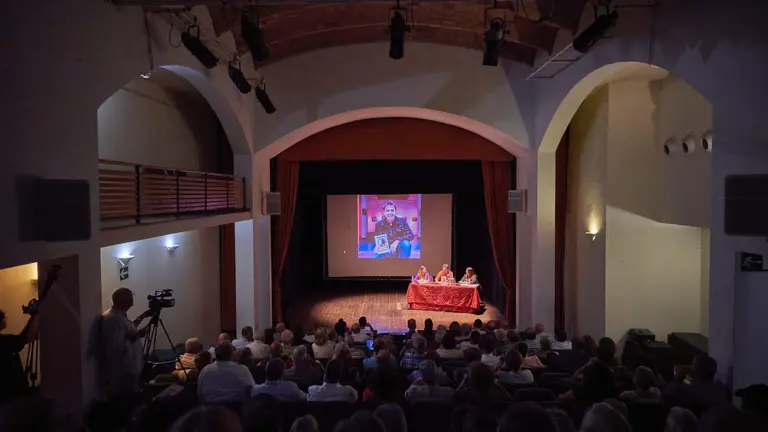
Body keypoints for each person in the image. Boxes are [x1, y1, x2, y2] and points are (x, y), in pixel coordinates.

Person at [100, 287, 154, 396]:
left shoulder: (120, 315)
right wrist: (136, 335)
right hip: (124, 370)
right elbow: (115, 346)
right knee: (128, 399)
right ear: (124, 300)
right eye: (130, 296)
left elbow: (129, 328)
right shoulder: (113, 319)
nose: (132, 299)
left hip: (130, 369)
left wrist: (143, 316)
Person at [0, 309, 39, 403]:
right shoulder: (3, 342)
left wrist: (31, 321)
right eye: (3, 319)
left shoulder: (4, 341)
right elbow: (27, 338)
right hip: (10, 392)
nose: (5, 320)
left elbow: (19, 340)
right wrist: (36, 318)